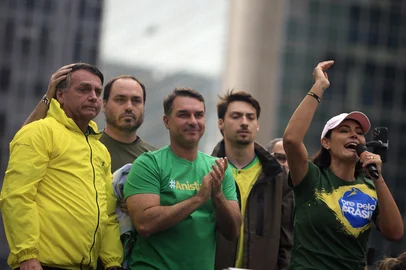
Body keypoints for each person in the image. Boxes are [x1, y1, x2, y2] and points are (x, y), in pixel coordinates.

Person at [23, 69, 156, 269]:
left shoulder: (154, 160)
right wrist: (48, 98)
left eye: (136, 101)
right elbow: (24, 144)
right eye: (120, 100)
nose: (129, 107)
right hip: (60, 259)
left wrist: (143, 205)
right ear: (104, 105)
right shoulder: (85, 142)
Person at [0, 63, 123, 270]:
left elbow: (108, 214)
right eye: (84, 89)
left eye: (97, 91)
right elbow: (16, 196)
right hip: (42, 264)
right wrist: (27, 255)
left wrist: (113, 262)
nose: (93, 96)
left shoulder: (100, 150)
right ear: (61, 95)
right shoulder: (39, 132)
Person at [283, 60, 404, 269]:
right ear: (326, 142)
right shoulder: (311, 177)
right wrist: (319, 86)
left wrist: (379, 179)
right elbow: (292, 140)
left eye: (359, 133)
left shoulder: (369, 187)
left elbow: (394, 232)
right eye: (345, 130)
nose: (354, 136)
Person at [124, 88, 242, 270]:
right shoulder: (149, 164)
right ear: (166, 121)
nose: (193, 121)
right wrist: (198, 199)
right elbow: (144, 223)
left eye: (199, 115)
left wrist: (217, 196)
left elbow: (233, 231)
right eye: (183, 115)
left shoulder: (219, 168)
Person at [212, 90, 293, 270]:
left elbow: (287, 241)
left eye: (250, 117)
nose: (244, 122)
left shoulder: (278, 176)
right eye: (236, 116)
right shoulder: (207, 171)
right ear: (221, 123)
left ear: (257, 125)